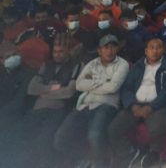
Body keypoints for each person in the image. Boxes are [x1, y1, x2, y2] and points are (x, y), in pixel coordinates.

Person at [54, 34, 129, 166]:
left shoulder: (122, 64)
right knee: (60, 138)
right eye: (106, 47)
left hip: (107, 104)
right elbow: (79, 85)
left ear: (117, 49)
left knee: (94, 135)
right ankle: (83, 158)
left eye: (113, 47)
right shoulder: (92, 64)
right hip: (85, 105)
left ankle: (100, 164)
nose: (110, 51)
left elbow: (112, 88)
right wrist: (104, 82)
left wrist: (92, 83)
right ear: (99, 50)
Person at [108, 37, 166, 167]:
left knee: (158, 128)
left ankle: (154, 153)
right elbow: (126, 88)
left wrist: (151, 107)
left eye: (158, 47)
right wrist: (133, 105)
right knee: (113, 129)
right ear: (146, 51)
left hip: (158, 104)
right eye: (151, 48)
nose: (155, 51)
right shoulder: (138, 66)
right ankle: (129, 152)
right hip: (136, 104)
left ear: (163, 49)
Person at [11, 35, 82, 166]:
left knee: (44, 140)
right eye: (55, 51)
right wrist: (53, 88)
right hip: (38, 108)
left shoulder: (76, 66)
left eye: (61, 51)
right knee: (16, 135)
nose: (57, 54)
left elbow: (69, 92)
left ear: (68, 51)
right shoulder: (46, 65)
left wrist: (44, 92)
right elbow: (31, 89)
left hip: (58, 109)